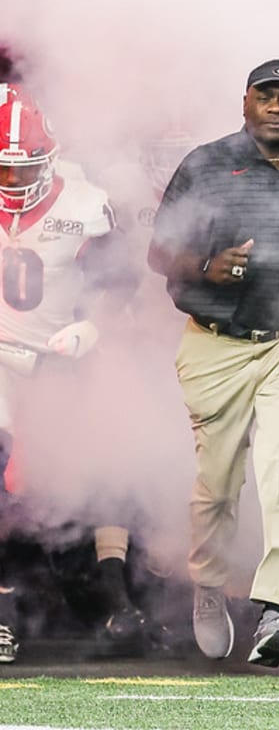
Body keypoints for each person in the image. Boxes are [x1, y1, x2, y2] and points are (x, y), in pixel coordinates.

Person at [147, 60, 279, 668]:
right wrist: (207, 267)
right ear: (244, 102)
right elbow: (158, 251)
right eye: (265, 96)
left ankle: (274, 610)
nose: (276, 106)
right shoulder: (206, 163)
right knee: (218, 485)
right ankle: (210, 585)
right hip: (215, 341)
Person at [0, 83, 139, 663]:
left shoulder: (83, 203)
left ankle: (116, 600)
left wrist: (94, 329)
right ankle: (4, 608)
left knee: (99, 472)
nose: (11, 182)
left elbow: (119, 282)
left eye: (21, 169)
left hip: (57, 358)